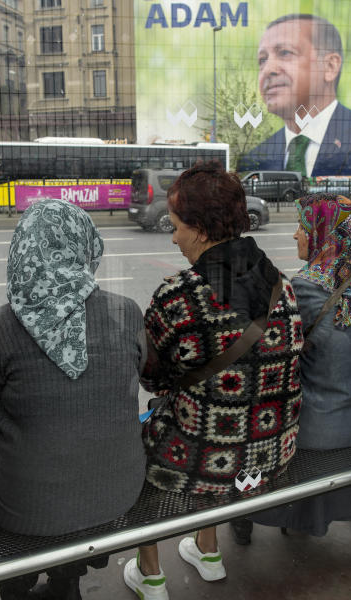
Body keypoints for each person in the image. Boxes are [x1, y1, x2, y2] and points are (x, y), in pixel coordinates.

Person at [123, 161, 302, 600]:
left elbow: (157, 384)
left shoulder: (176, 295)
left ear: (200, 229)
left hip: (207, 463)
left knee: (138, 445)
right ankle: (207, 550)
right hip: (276, 452)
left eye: (178, 225)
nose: (173, 235)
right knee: (213, 414)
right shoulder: (280, 282)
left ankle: (149, 574)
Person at [0, 198, 146, 599]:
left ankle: (15, 584)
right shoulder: (127, 311)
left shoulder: (3, 322)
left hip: (24, 503)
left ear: (24, 248)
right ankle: (67, 581)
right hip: (119, 490)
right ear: (84, 245)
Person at [233, 194, 351, 541]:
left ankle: (243, 507)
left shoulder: (305, 286)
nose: (296, 235)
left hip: (321, 428)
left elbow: (269, 359)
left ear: (325, 232)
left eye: (303, 226)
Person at [237, 13, 351, 180]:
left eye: (284, 53)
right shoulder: (255, 158)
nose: (268, 69)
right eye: (262, 60)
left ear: (330, 66)